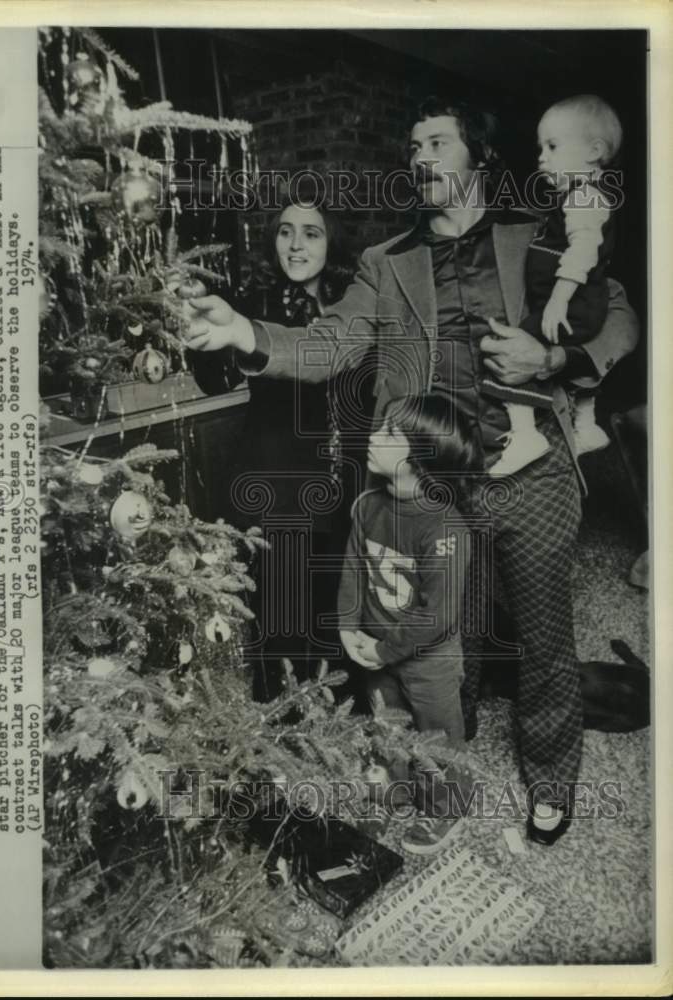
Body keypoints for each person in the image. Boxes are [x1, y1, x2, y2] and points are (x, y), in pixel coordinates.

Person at [185, 96, 639, 845]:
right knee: (433, 640)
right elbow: (328, 344)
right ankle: (434, 775)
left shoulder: (540, 234)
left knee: (543, 636)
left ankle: (552, 775)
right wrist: (243, 331)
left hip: (531, 473)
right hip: (432, 488)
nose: (419, 156)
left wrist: (556, 358)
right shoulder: (385, 263)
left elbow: (619, 312)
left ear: (479, 158)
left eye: (436, 141)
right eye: (413, 144)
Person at [190, 197, 360, 701]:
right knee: (282, 622)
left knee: (333, 608)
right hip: (278, 488)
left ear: (333, 242)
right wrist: (200, 334)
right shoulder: (252, 305)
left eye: (311, 232)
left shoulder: (352, 303)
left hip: (341, 485)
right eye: (286, 232)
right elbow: (215, 378)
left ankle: (334, 726)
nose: (296, 244)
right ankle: (280, 730)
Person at [483, 95, 622, 476]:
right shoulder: (573, 199)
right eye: (540, 147)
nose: (541, 157)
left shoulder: (584, 198)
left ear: (594, 151)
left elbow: (581, 255)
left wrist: (559, 301)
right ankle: (587, 425)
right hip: (578, 305)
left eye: (553, 146)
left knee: (514, 346)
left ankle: (526, 433)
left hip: (572, 303)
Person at [338, 395, 477, 746]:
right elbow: (353, 570)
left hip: (429, 663)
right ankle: (396, 793)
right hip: (376, 646)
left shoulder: (445, 529)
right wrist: (347, 626)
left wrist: (384, 650)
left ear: (420, 455)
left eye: (388, 434)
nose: (373, 436)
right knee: (389, 733)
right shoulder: (369, 506)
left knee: (439, 742)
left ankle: (446, 803)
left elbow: (437, 615)